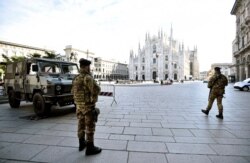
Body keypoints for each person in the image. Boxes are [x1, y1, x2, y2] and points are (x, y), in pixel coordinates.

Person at [71, 58, 102, 155]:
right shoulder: (87, 78)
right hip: (88, 107)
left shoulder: (76, 78)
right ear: (87, 67)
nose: (90, 68)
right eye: (89, 66)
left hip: (79, 106)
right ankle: (90, 147)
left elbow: (73, 92)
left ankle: (81, 143)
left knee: (80, 125)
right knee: (90, 126)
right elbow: (96, 90)